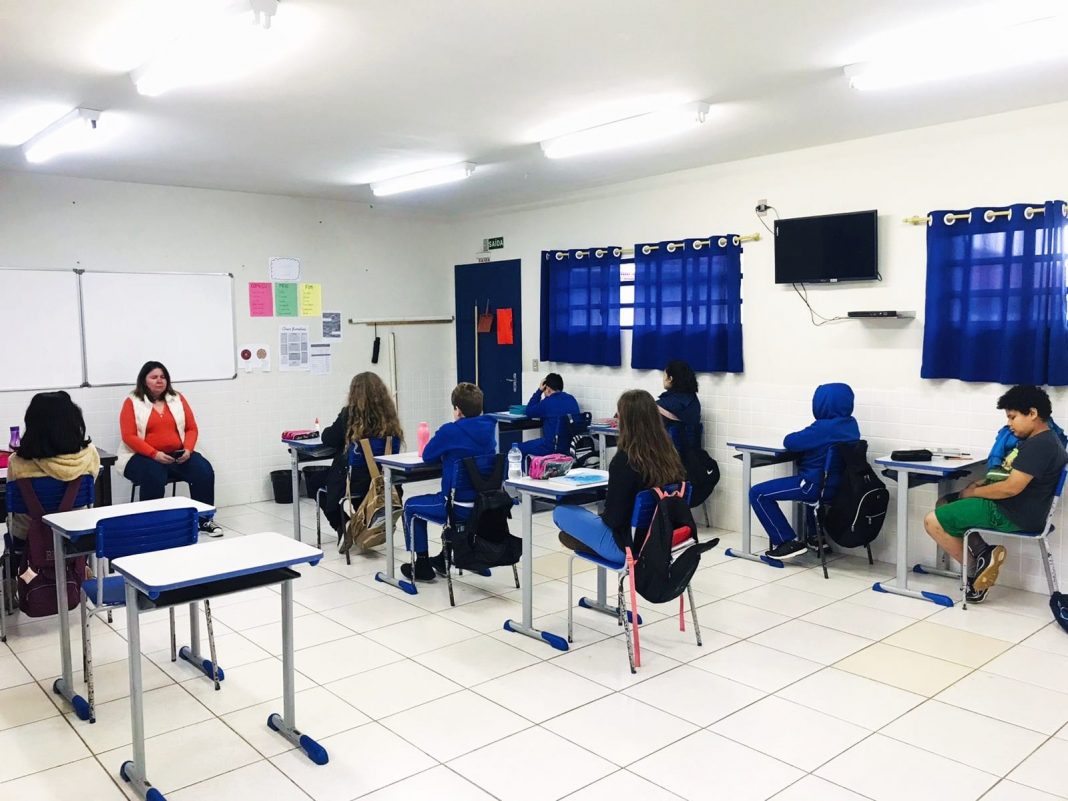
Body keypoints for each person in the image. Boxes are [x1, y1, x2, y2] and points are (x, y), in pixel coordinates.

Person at [925, 385, 1067, 603]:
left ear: (1032, 413)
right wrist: (982, 482)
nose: (1009, 424)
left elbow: (1011, 488)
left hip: (1010, 512)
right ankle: (984, 554)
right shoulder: (1044, 441)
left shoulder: (1040, 445)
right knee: (944, 502)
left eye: (1012, 417)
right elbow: (1013, 476)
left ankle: (974, 573)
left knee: (932, 521)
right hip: (1018, 508)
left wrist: (973, 493)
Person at [555, 389, 685, 562]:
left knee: (561, 512)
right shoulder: (670, 455)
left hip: (626, 546)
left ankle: (583, 541)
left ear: (625, 421)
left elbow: (613, 519)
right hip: (662, 540)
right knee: (576, 529)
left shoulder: (625, 460)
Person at [751, 383, 860, 561]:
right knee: (814, 492)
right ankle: (815, 537)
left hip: (813, 487)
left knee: (757, 493)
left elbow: (790, 442)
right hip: (838, 488)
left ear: (822, 403)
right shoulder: (851, 425)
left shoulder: (824, 428)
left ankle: (786, 541)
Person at [401, 382, 497, 581]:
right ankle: (450, 558)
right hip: (485, 506)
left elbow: (428, 455)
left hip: (456, 507)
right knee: (457, 509)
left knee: (410, 507)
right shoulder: (490, 428)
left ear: (458, 410)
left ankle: (422, 565)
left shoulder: (450, 431)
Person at [117, 361, 221, 536]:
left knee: (203, 470)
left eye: (163, 377)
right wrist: (154, 454)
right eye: (154, 377)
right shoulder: (132, 402)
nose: (160, 380)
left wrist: (188, 449)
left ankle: (204, 520)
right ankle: (152, 525)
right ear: (144, 380)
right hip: (141, 456)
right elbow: (129, 436)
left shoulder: (177, 399)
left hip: (177, 455)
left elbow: (191, 428)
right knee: (154, 474)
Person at [319, 372, 404, 539]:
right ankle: (364, 523)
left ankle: (343, 525)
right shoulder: (389, 416)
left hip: (354, 483)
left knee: (316, 482)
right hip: (385, 481)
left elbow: (329, 438)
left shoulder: (349, 414)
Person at [7, 391, 100, 541]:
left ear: (32, 424)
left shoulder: (16, 461)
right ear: (73, 420)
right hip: (76, 533)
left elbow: (13, 500)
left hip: (28, 537)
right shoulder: (89, 454)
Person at [519, 373, 581, 457]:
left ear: (547, 389)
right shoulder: (571, 399)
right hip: (569, 447)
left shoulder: (548, 402)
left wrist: (539, 391)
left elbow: (529, 411)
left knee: (517, 448)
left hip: (551, 447)